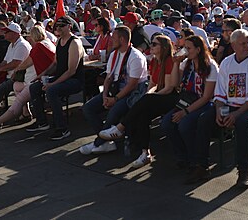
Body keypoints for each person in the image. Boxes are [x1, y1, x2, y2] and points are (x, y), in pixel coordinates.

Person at [97, 35, 177, 168]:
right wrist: (149, 94)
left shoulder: (169, 61)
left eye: (154, 44)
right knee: (142, 114)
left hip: (170, 97)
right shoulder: (154, 61)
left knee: (143, 102)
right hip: (158, 95)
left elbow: (168, 88)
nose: (151, 46)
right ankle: (145, 153)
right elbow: (152, 84)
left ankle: (120, 127)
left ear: (163, 47)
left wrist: (151, 96)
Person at [208, 29, 248, 188]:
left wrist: (235, 115)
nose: (247, 46)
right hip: (230, 106)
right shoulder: (227, 62)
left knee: (243, 123)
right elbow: (220, 92)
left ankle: (243, 171)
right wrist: (219, 112)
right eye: (242, 43)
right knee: (203, 118)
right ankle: (199, 164)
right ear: (233, 45)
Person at [80, 26, 149, 155]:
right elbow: (108, 77)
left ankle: (98, 142)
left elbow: (132, 85)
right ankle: (106, 141)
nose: (111, 41)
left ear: (122, 40)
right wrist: (105, 95)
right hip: (114, 90)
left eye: (114, 39)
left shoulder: (136, 57)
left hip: (130, 94)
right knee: (88, 108)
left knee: (114, 112)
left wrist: (115, 99)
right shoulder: (114, 54)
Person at [161, 35, 219, 184]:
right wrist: (175, 64)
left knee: (185, 124)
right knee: (167, 123)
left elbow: (207, 97)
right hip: (186, 100)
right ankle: (183, 157)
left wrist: (185, 112)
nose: (185, 51)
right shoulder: (186, 63)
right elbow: (174, 84)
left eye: (189, 48)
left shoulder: (210, 66)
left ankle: (197, 162)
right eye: (184, 47)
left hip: (204, 103)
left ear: (198, 50)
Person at [0, 25, 56, 131]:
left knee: (17, 97)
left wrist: (15, 71)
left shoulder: (38, 47)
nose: (28, 39)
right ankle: (26, 113)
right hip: (44, 77)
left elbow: (23, 64)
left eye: (29, 36)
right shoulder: (48, 43)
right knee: (16, 86)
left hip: (39, 80)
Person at [27, 16, 85, 140]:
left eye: (61, 26)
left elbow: (71, 71)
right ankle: (42, 121)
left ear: (69, 26)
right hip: (61, 77)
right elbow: (55, 63)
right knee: (35, 87)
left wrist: (53, 84)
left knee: (51, 91)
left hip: (75, 80)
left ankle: (62, 128)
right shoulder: (59, 41)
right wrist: (42, 75)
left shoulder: (74, 43)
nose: (58, 28)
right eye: (57, 26)